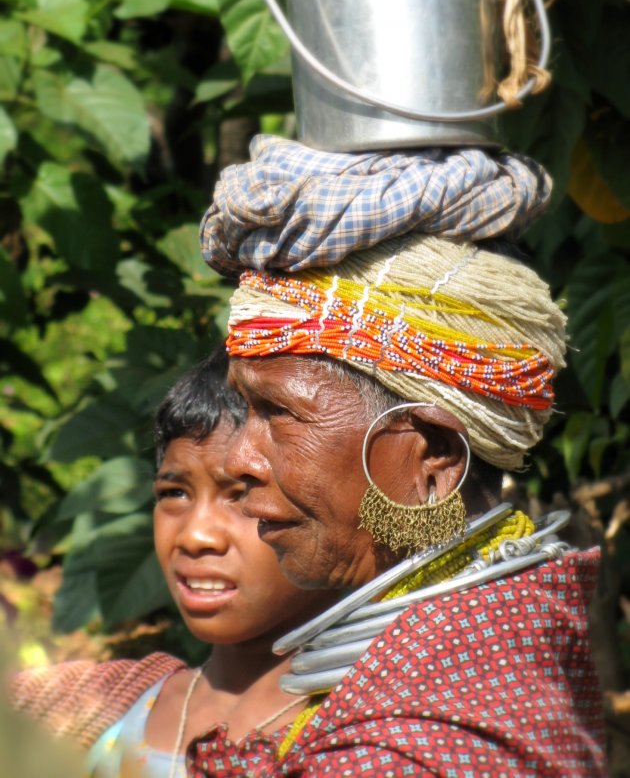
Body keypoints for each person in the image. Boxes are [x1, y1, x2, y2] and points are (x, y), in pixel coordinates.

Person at [187, 134, 608, 777]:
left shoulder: (413, 752)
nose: (238, 458)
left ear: (433, 457)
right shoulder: (498, 634)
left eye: (279, 415)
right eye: (245, 411)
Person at [10, 347, 336, 777]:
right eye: (174, 493)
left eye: (243, 494)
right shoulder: (95, 705)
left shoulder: (366, 738)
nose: (195, 535)